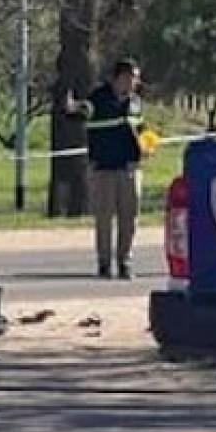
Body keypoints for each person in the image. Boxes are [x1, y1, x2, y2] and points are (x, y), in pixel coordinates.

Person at [63, 59, 146, 280]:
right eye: (130, 77)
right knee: (104, 218)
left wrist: (147, 147)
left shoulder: (136, 103)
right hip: (103, 169)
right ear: (118, 78)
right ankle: (104, 263)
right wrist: (71, 107)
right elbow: (80, 112)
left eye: (135, 78)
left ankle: (125, 261)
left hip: (130, 168)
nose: (134, 82)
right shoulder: (98, 98)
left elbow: (141, 130)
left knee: (130, 217)